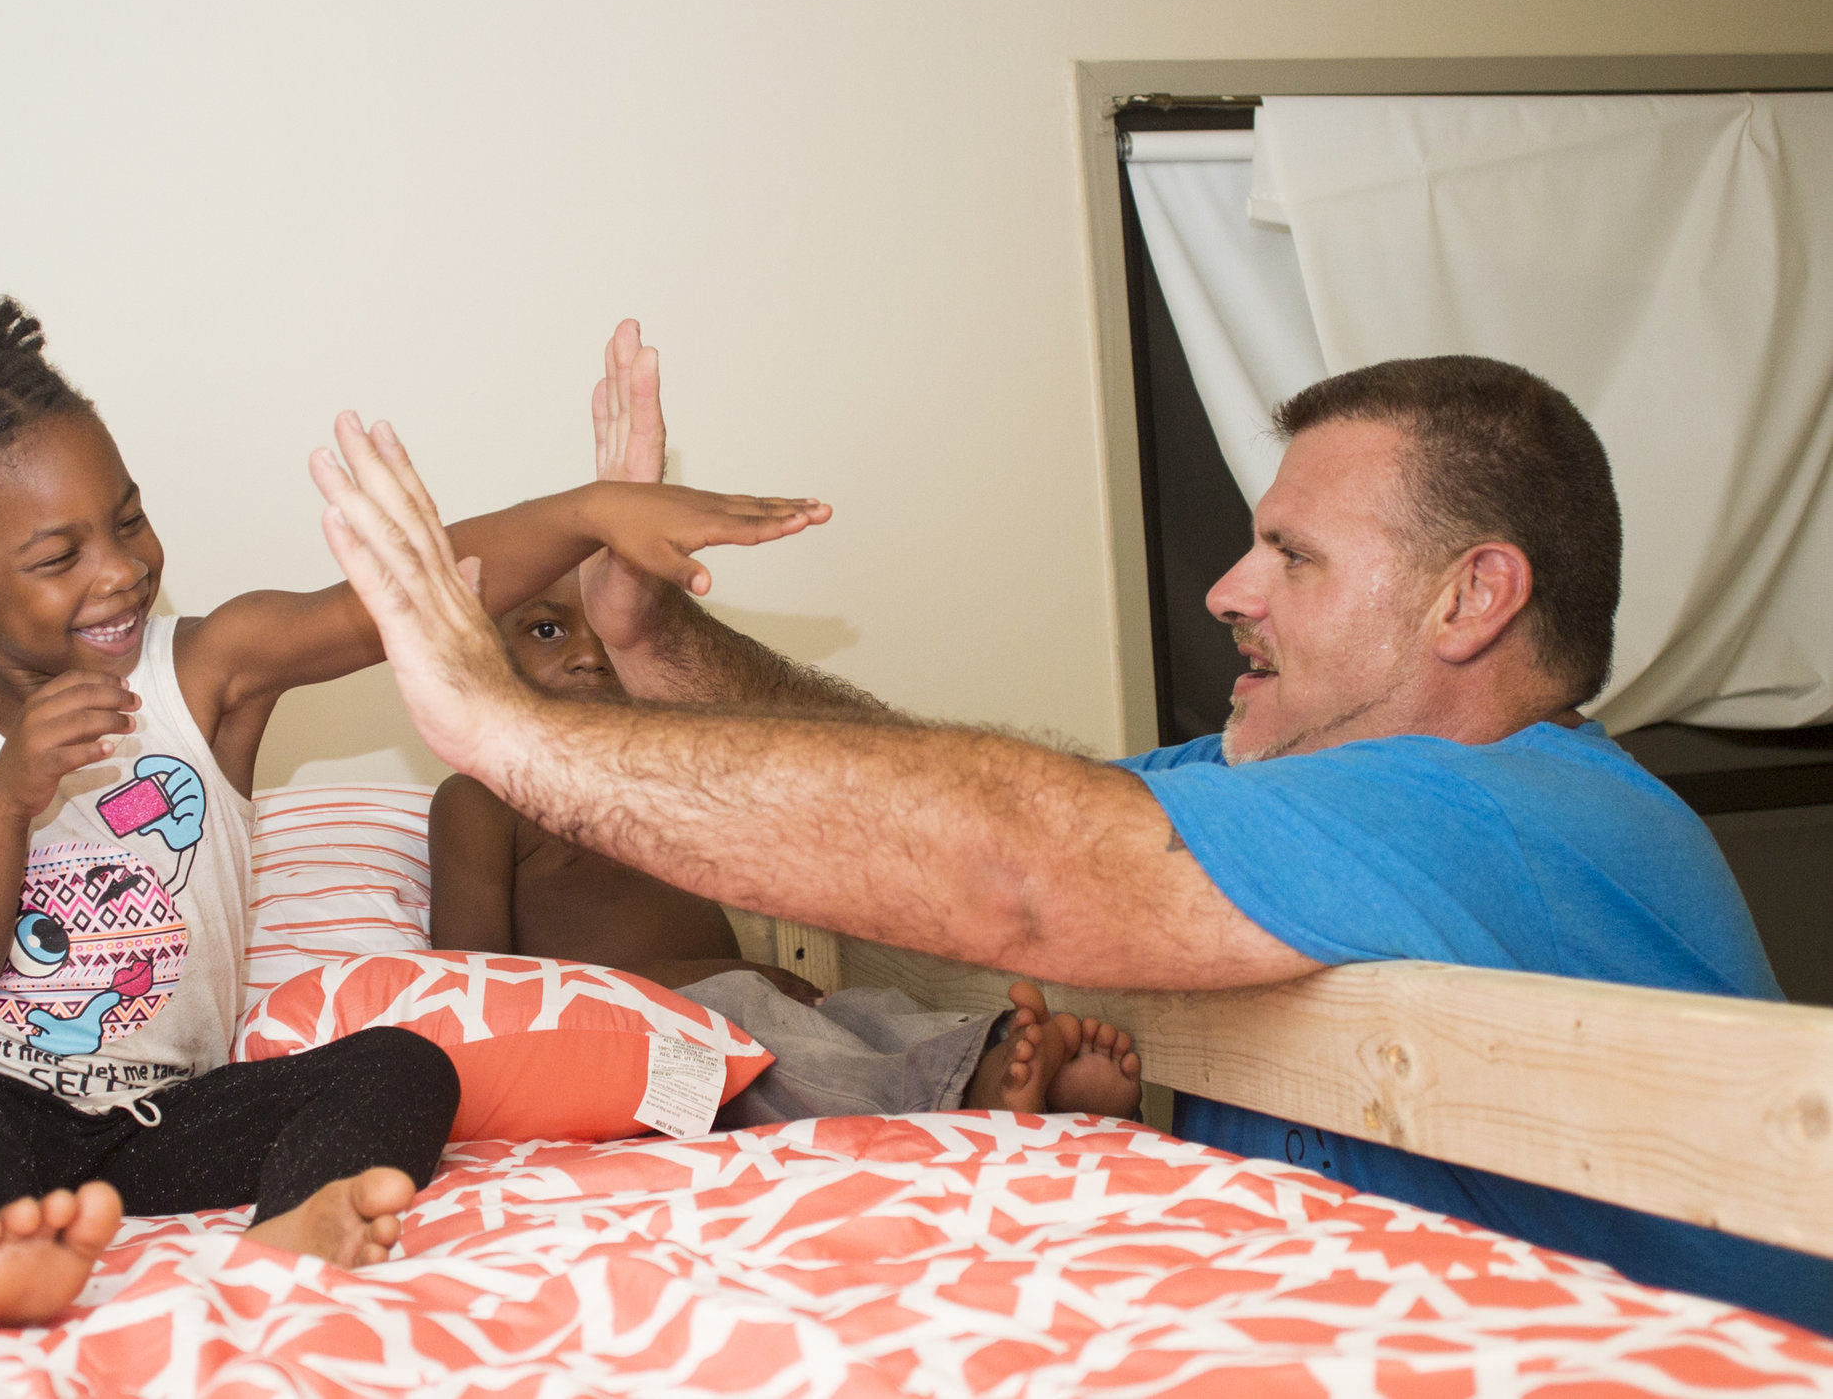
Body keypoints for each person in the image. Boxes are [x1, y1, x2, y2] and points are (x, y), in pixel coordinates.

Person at [307, 335, 1833, 1334]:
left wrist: (503, 724)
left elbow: (1015, 871)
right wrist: (646, 643)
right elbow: (912, 783)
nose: (1229, 589)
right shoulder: (1298, 789)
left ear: (1471, 598)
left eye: (1290, 554)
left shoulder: (1508, 806)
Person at [0, 298, 831, 1334]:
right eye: (56, 556)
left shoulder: (203, 671)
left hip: (161, 1117)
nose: (118, 569)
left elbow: (390, 594)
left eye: (126, 519)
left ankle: (296, 1224)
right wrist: (7, 796)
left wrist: (588, 510)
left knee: (402, 1062)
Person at [431, 562, 1141, 1123]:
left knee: (870, 1012)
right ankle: (959, 1097)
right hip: (630, 1040)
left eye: (607, 634)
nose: (591, 655)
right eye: (548, 631)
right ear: (489, 667)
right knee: (773, 1061)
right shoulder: (481, 799)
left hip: (753, 1005)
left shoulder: (668, 780)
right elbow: (476, 985)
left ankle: (1002, 1058)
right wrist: (694, 979)